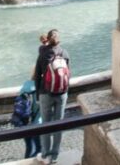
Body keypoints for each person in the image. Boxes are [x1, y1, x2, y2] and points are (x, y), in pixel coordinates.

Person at [34, 29, 70, 164]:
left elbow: (37, 75)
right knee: (58, 123)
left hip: (45, 93)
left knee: (46, 124)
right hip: (62, 93)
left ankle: (45, 155)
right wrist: (65, 91)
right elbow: (68, 74)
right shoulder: (65, 53)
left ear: (48, 39)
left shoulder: (43, 53)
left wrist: (38, 95)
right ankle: (55, 155)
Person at [11, 79, 42, 160]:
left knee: (29, 146)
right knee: (38, 148)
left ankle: (26, 160)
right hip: (36, 123)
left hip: (24, 124)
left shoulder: (26, 85)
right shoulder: (42, 88)